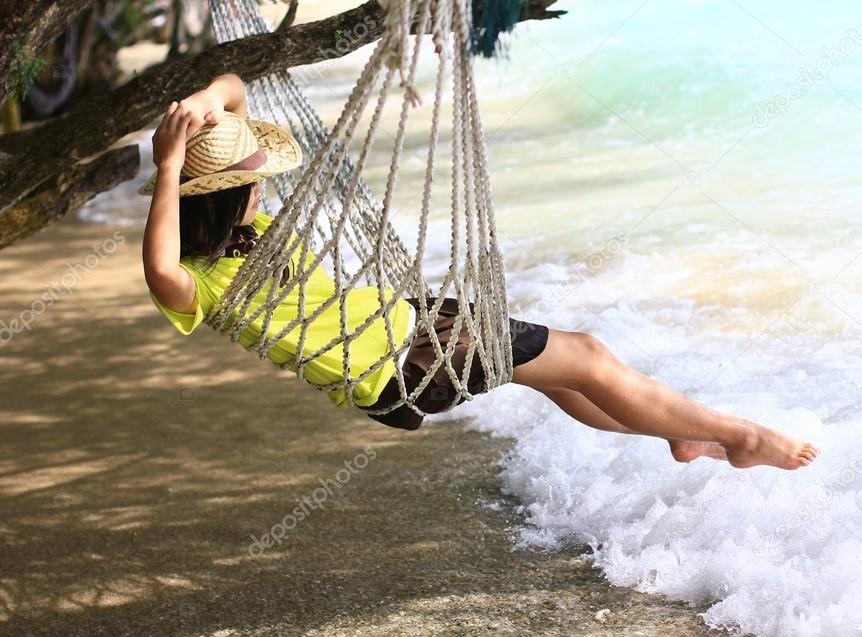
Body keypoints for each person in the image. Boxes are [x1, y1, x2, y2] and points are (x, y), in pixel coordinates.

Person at [142, 73, 821, 470]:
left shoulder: (244, 233)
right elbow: (159, 265)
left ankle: (678, 430)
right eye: (253, 183)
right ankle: (741, 437)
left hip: (405, 331)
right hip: (408, 359)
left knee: (561, 381)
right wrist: (170, 169)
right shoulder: (199, 285)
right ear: (220, 197)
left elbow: (236, 89)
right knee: (585, 356)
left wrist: (205, 101)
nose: (265, 189)